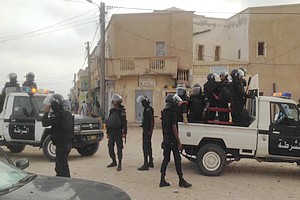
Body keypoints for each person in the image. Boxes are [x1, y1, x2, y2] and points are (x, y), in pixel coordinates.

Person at [159, 93, 192, 188]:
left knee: (166, 159)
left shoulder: (164, 112)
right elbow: (174, 128)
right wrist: (179, 142)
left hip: (166, 139)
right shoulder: (172, 113)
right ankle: (181, 180)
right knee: (178, 159)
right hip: (172, 140)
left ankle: (162, 179)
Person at [42, 94, 74, 177]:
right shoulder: (67, 114)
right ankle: (60, 181)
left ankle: (66, 182)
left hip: (61, 144)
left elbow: (44, 122)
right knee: (59, 166)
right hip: (67, 143)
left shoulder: (57, 116)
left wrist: (46, 112)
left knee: (63, 168)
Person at [106, 94, 127, 171]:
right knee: (110, 147)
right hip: (111, 132)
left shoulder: (122, 111)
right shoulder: (112, 110)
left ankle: (120, 163)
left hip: (118, 132)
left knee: (119, 148)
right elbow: (109, 120)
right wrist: (107, 132)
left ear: (118, 102)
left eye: (114, 100)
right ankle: (114, 161)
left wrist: (124, 132)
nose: (113, 101)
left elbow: (124, 123)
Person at [136, 95, 154, 171]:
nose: (142, 104)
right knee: (148, 146)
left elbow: (152, 120)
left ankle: (146, 163)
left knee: (145, 147)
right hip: (146, 130)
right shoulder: (148, 109)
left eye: (143, 102)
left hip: (147, 131)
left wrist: (150, 131)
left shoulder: (148, 110)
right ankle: (150, 161)